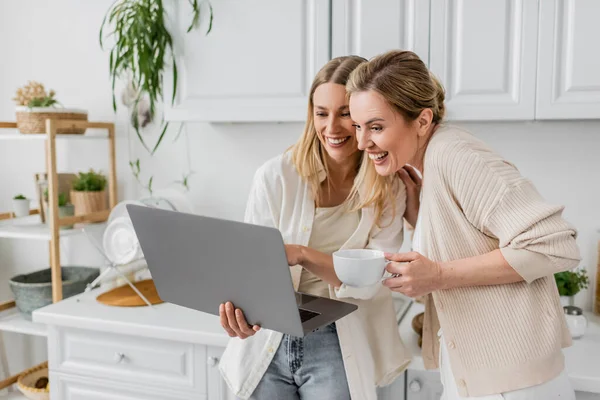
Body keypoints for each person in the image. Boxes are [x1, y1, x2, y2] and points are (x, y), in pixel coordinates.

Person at [347, 49, 580, 400]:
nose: (363, 143)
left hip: (513, 387)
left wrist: (438, 274)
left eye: (376, 127)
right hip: (478, 377)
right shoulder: (431, 166)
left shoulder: (455, 155)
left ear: (422, 121)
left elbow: (553, 245)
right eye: (358, 127)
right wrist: (421, 215)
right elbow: (473, 239)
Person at [217, 56, 410, 400]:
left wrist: (304, 255)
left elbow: (369, 283)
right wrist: (236, 309)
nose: (332, 128)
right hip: (269, 336)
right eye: (322, 113)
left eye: (345, 113)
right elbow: (249, 269)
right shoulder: (276, 176)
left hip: (338, 337)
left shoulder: (388, 187)